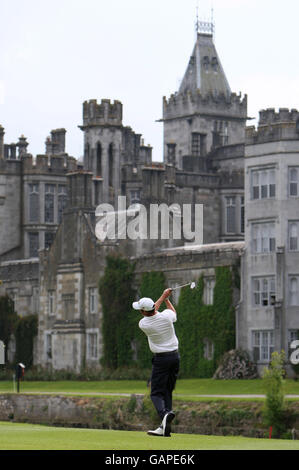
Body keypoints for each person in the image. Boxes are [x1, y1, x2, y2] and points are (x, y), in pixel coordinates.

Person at [132, 288, 180, 437]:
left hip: (161, 359)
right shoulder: (167, 317)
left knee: (155, 392)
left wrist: (162, 296)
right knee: (167, 391)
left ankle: (164, 414)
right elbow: (173, 312)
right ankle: (165, 427)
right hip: (175, 357)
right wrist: (166, 298)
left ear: (143, 312)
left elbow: (152, 312)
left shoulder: (144, 323)